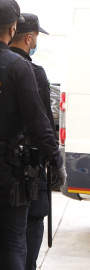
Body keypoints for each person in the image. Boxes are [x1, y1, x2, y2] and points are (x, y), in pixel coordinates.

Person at [0, 1, 67, 270]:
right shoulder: (20, 68)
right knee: (13, 241)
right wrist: (56, 161)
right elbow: (40, 123)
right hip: (8, 170)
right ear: (13, 28)